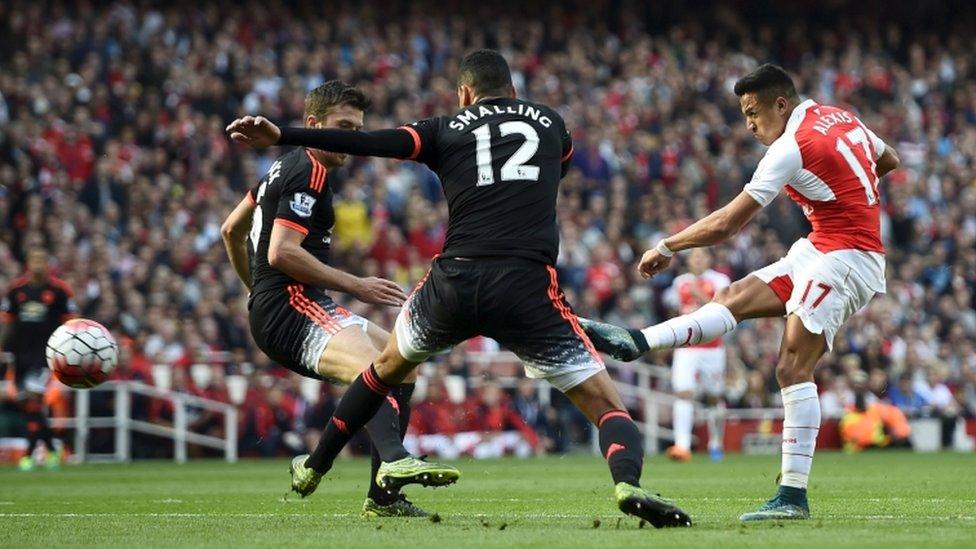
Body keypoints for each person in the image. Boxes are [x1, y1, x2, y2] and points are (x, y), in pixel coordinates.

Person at [227, 49, 692, 528]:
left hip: (452, 281)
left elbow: (372, 143)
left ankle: (318, 465)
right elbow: (553, 168)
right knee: (607, 407)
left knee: (386, 369)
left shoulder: (444, 129)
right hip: (527, 288)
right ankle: (627, 482)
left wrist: (281, 134)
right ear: (512, 91)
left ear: (464, 95)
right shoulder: (553, 125)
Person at [579, 64, 900, 522]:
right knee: (734, 296)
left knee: (792, 365)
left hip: (847, 257)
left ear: (781, 105)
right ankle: (638, 342)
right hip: (825, 244)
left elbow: (728, 223)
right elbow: (888, 161)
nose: (749, 124)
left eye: (753, 113)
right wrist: (849, 199)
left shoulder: (790, 147)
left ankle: (792, 496)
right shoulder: (839, 116)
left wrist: (667, 245)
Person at [220, 80, 458, 518]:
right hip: (291, 305)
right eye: (343, 126)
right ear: (314, 125)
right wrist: (357, 285)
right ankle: (392, 458)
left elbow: (231, 230)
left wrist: (254, 289)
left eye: (357, 128)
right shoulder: (308, 170)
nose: (350, 137)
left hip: (286, 304)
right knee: (375, 369)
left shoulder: (282, 167)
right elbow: (280, 253)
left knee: (401, 364)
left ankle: (378, 496)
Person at [0, 248, 77, 471]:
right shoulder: (16, 291)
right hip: (20, 356)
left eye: (42, 260)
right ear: (28, 264)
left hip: (46, 356)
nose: (38, 265)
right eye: (34, 260)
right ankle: (52, 451)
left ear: (47, 263)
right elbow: (8, 322)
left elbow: (70, 324)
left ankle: (27, 455)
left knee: (35, 399)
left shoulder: (59, 291)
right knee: (28, 406)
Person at [660, 249, 730, 462]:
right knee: (684, 393)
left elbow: (725, 310)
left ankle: (716, 442)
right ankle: (682, 446)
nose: (697, 260)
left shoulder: (720, 280)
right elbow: (676, 312)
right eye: (694, 257)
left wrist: (700, 294)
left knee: (714, 397)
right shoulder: (680, 282)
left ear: (709, 259)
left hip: (713, 348)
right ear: (689, 261)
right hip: (686, 347)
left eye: (701, 257)